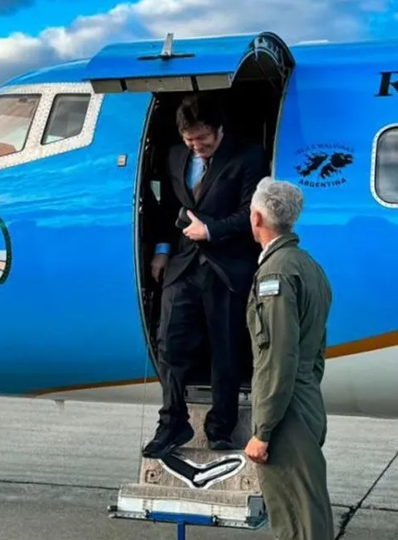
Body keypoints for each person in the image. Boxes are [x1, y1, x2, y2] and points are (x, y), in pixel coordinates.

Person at [143, 93, 268, 458]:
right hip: (182, 265)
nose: (197, 147)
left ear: (219, 129)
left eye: (204, 139)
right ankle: (172, 422)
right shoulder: (176, 155)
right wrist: (162, 250)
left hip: (226, 268)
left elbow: (251, 213)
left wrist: (209, 231)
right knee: (169, 343)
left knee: (225, 351)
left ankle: (220, 427)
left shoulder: (248, 157)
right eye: (190, 140)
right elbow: (168, 207)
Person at [243, 177, 335, 540]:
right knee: (308, 506)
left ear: (256, 218)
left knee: (295, 517)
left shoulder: (276, 272)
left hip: (285, 409)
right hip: (305, 399)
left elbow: (278, 354)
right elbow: (317, 349)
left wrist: (263, 430)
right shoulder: (308, 266)